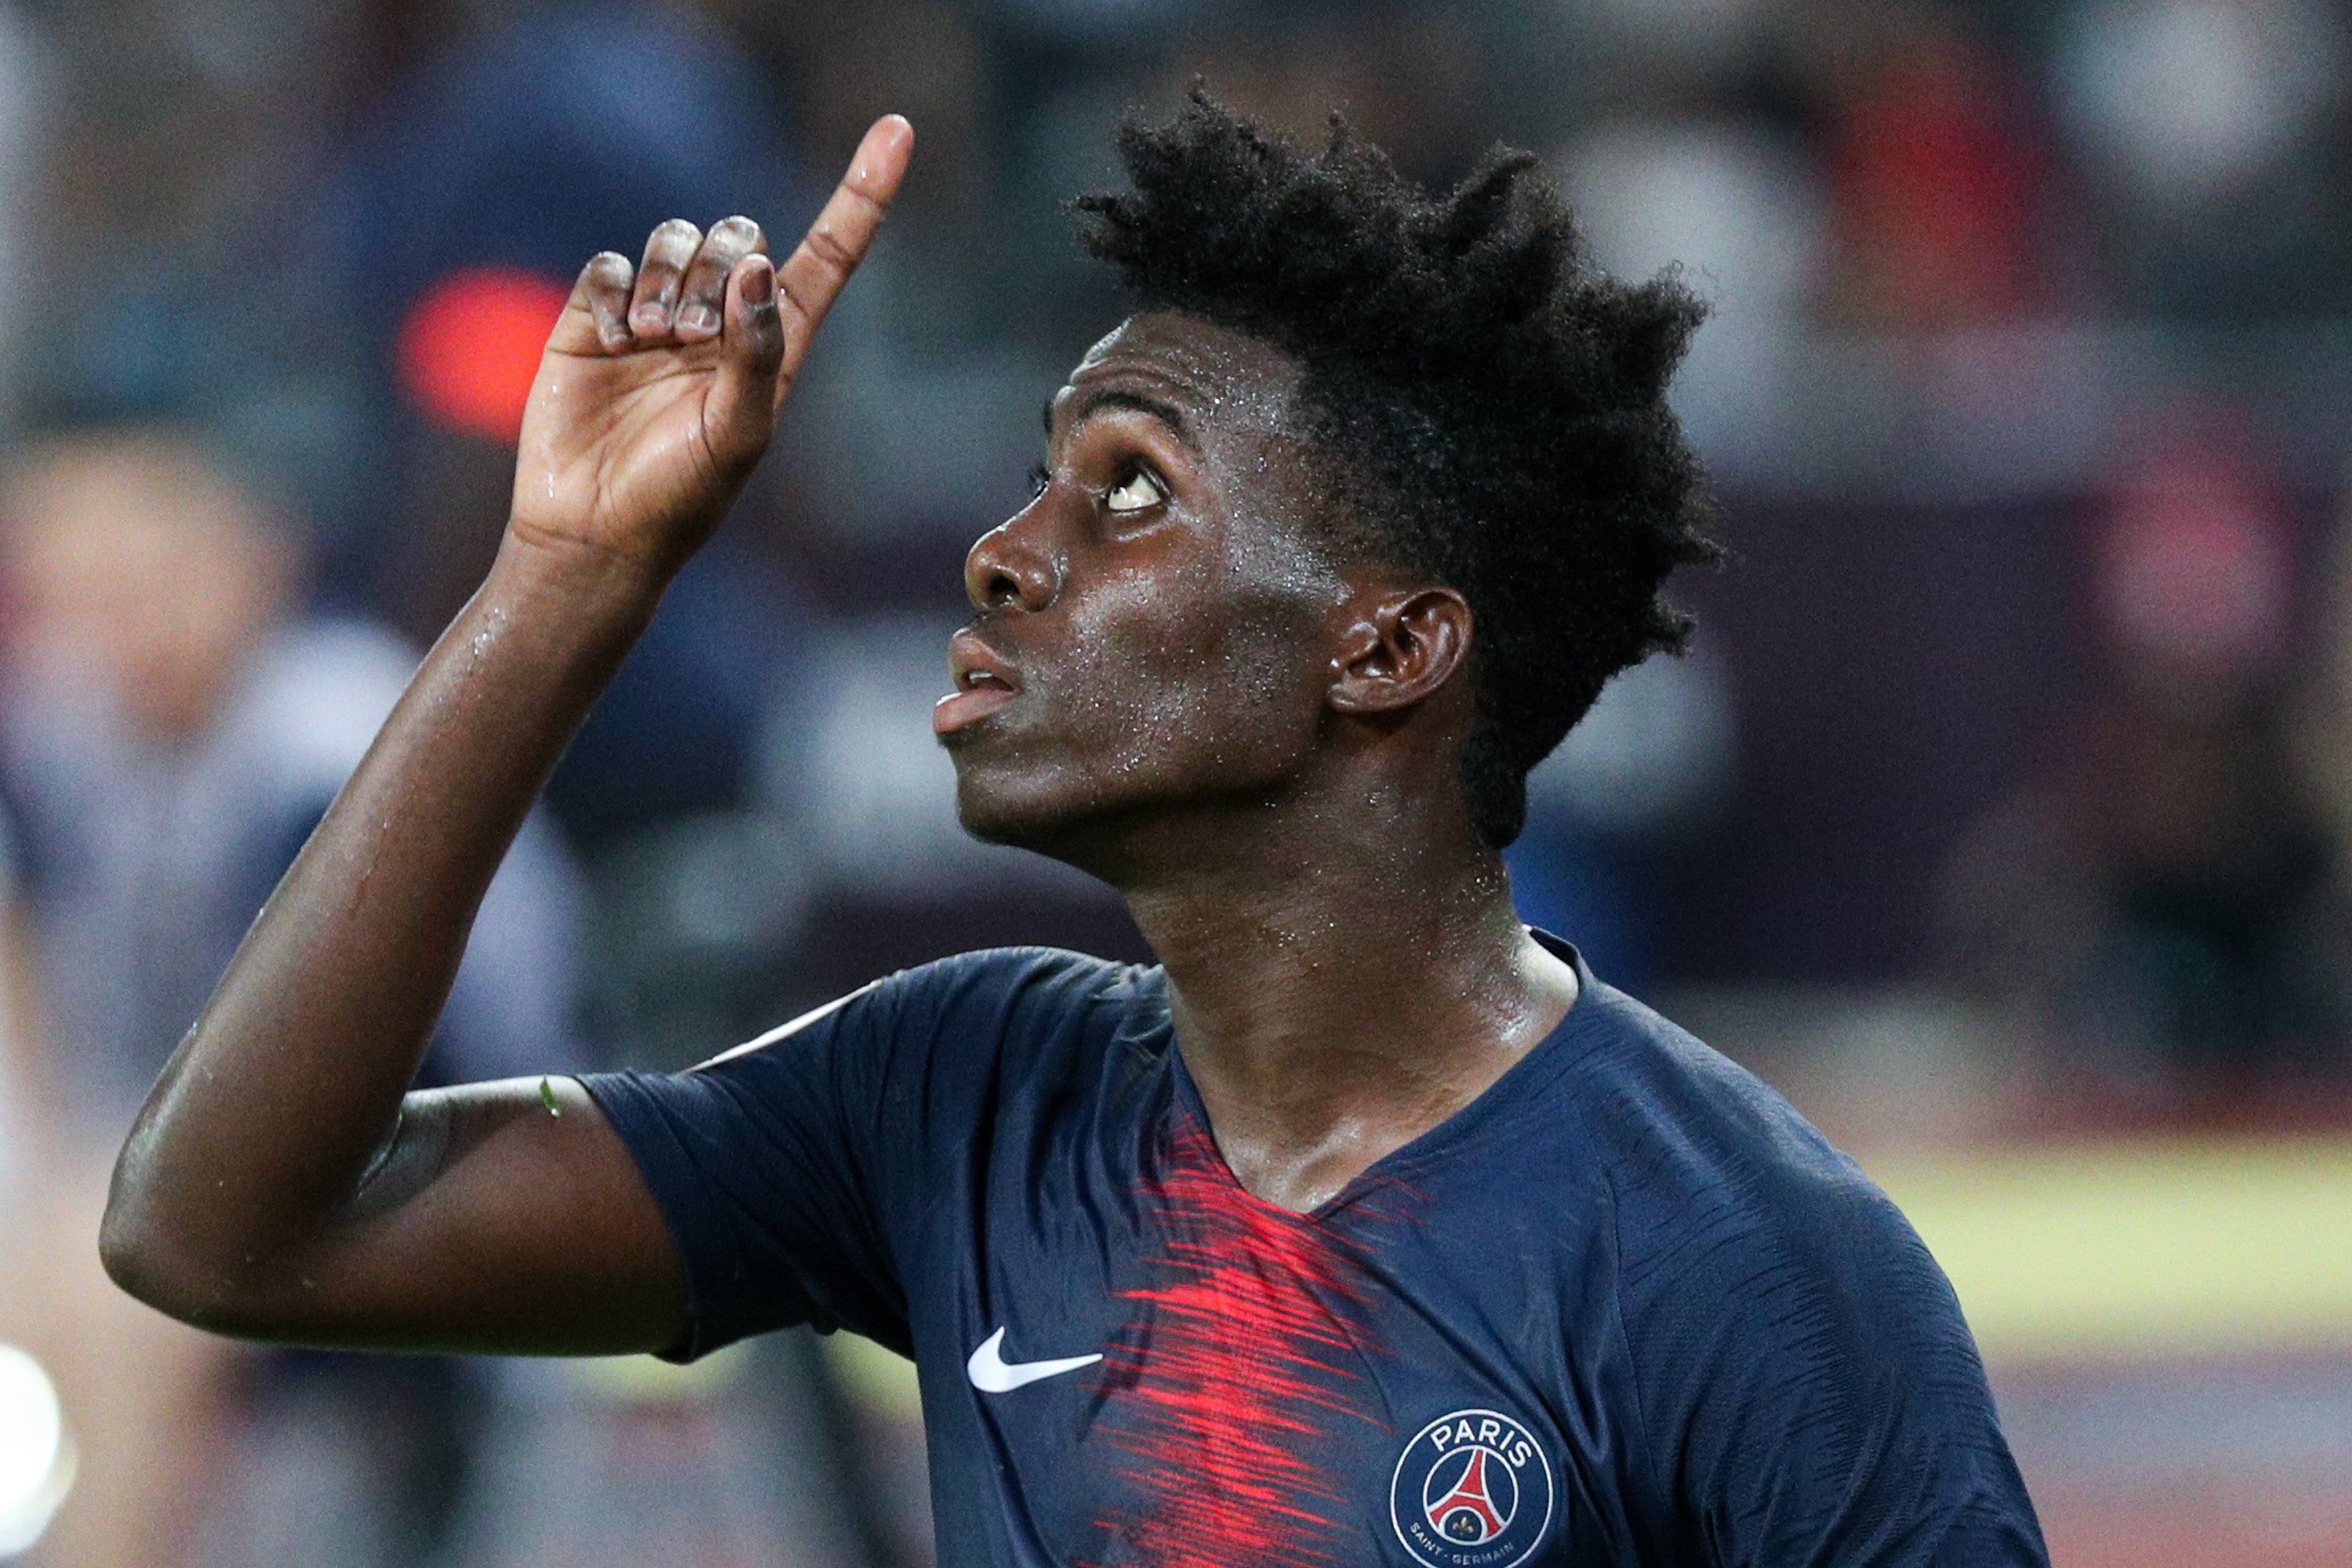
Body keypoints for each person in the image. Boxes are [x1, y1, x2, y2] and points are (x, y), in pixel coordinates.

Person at [100, 97, 2047, 1566]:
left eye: (1126, 494)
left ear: (1383, 646)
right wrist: (566, 583)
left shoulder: (1755, 1275)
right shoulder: (958, 1086)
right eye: (1043, 480)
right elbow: (221, 1229)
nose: (1004, 555)